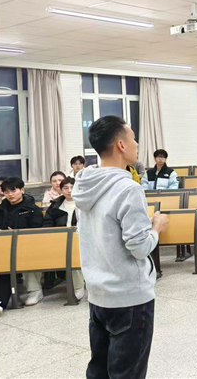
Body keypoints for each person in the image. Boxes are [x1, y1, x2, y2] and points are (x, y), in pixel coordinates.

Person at [72, 116, 168, 378]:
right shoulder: (128, 188)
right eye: (133, 138)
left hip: (98, 294)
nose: (137, 144)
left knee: (100, 371)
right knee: (127, 373)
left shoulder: (84, 186)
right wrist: (156, 227)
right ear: (121, 145)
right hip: (129, 298)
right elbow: (139, 247)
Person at [0, 177, 44, 311]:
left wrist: (18, 233)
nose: (10, 194)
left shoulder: (32, 209)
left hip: (27, 246)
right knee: (2, 261)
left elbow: (38, 230)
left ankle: (34, 291)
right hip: (3, 247)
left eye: (13, 190)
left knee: (13, 260)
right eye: (6, 192)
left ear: (22, 190)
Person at [43, 176, 86, 300]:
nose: (69, 190)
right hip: (59, 240)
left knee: (74, 255)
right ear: (60, 190)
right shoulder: (55, 205)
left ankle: (78, 286)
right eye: (66, 188)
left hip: (81, 240)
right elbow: (47, 223)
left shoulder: (84, 203)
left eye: (72, 187)